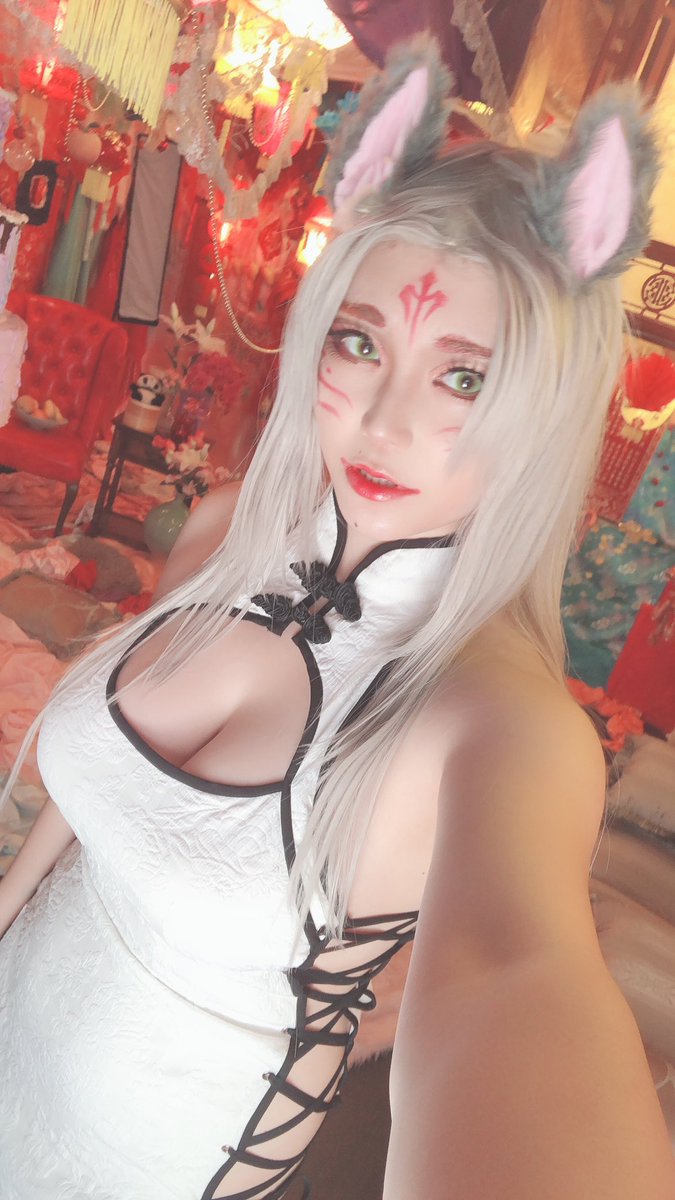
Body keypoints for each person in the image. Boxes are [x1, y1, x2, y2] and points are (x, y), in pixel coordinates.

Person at [0, 37, 673, 1200]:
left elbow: (516, 977)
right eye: (362, 344)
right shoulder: (224, 529)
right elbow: (99, 796)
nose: (384, 418)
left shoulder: (499, 724)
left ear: (545, 404)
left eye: (464, 376)